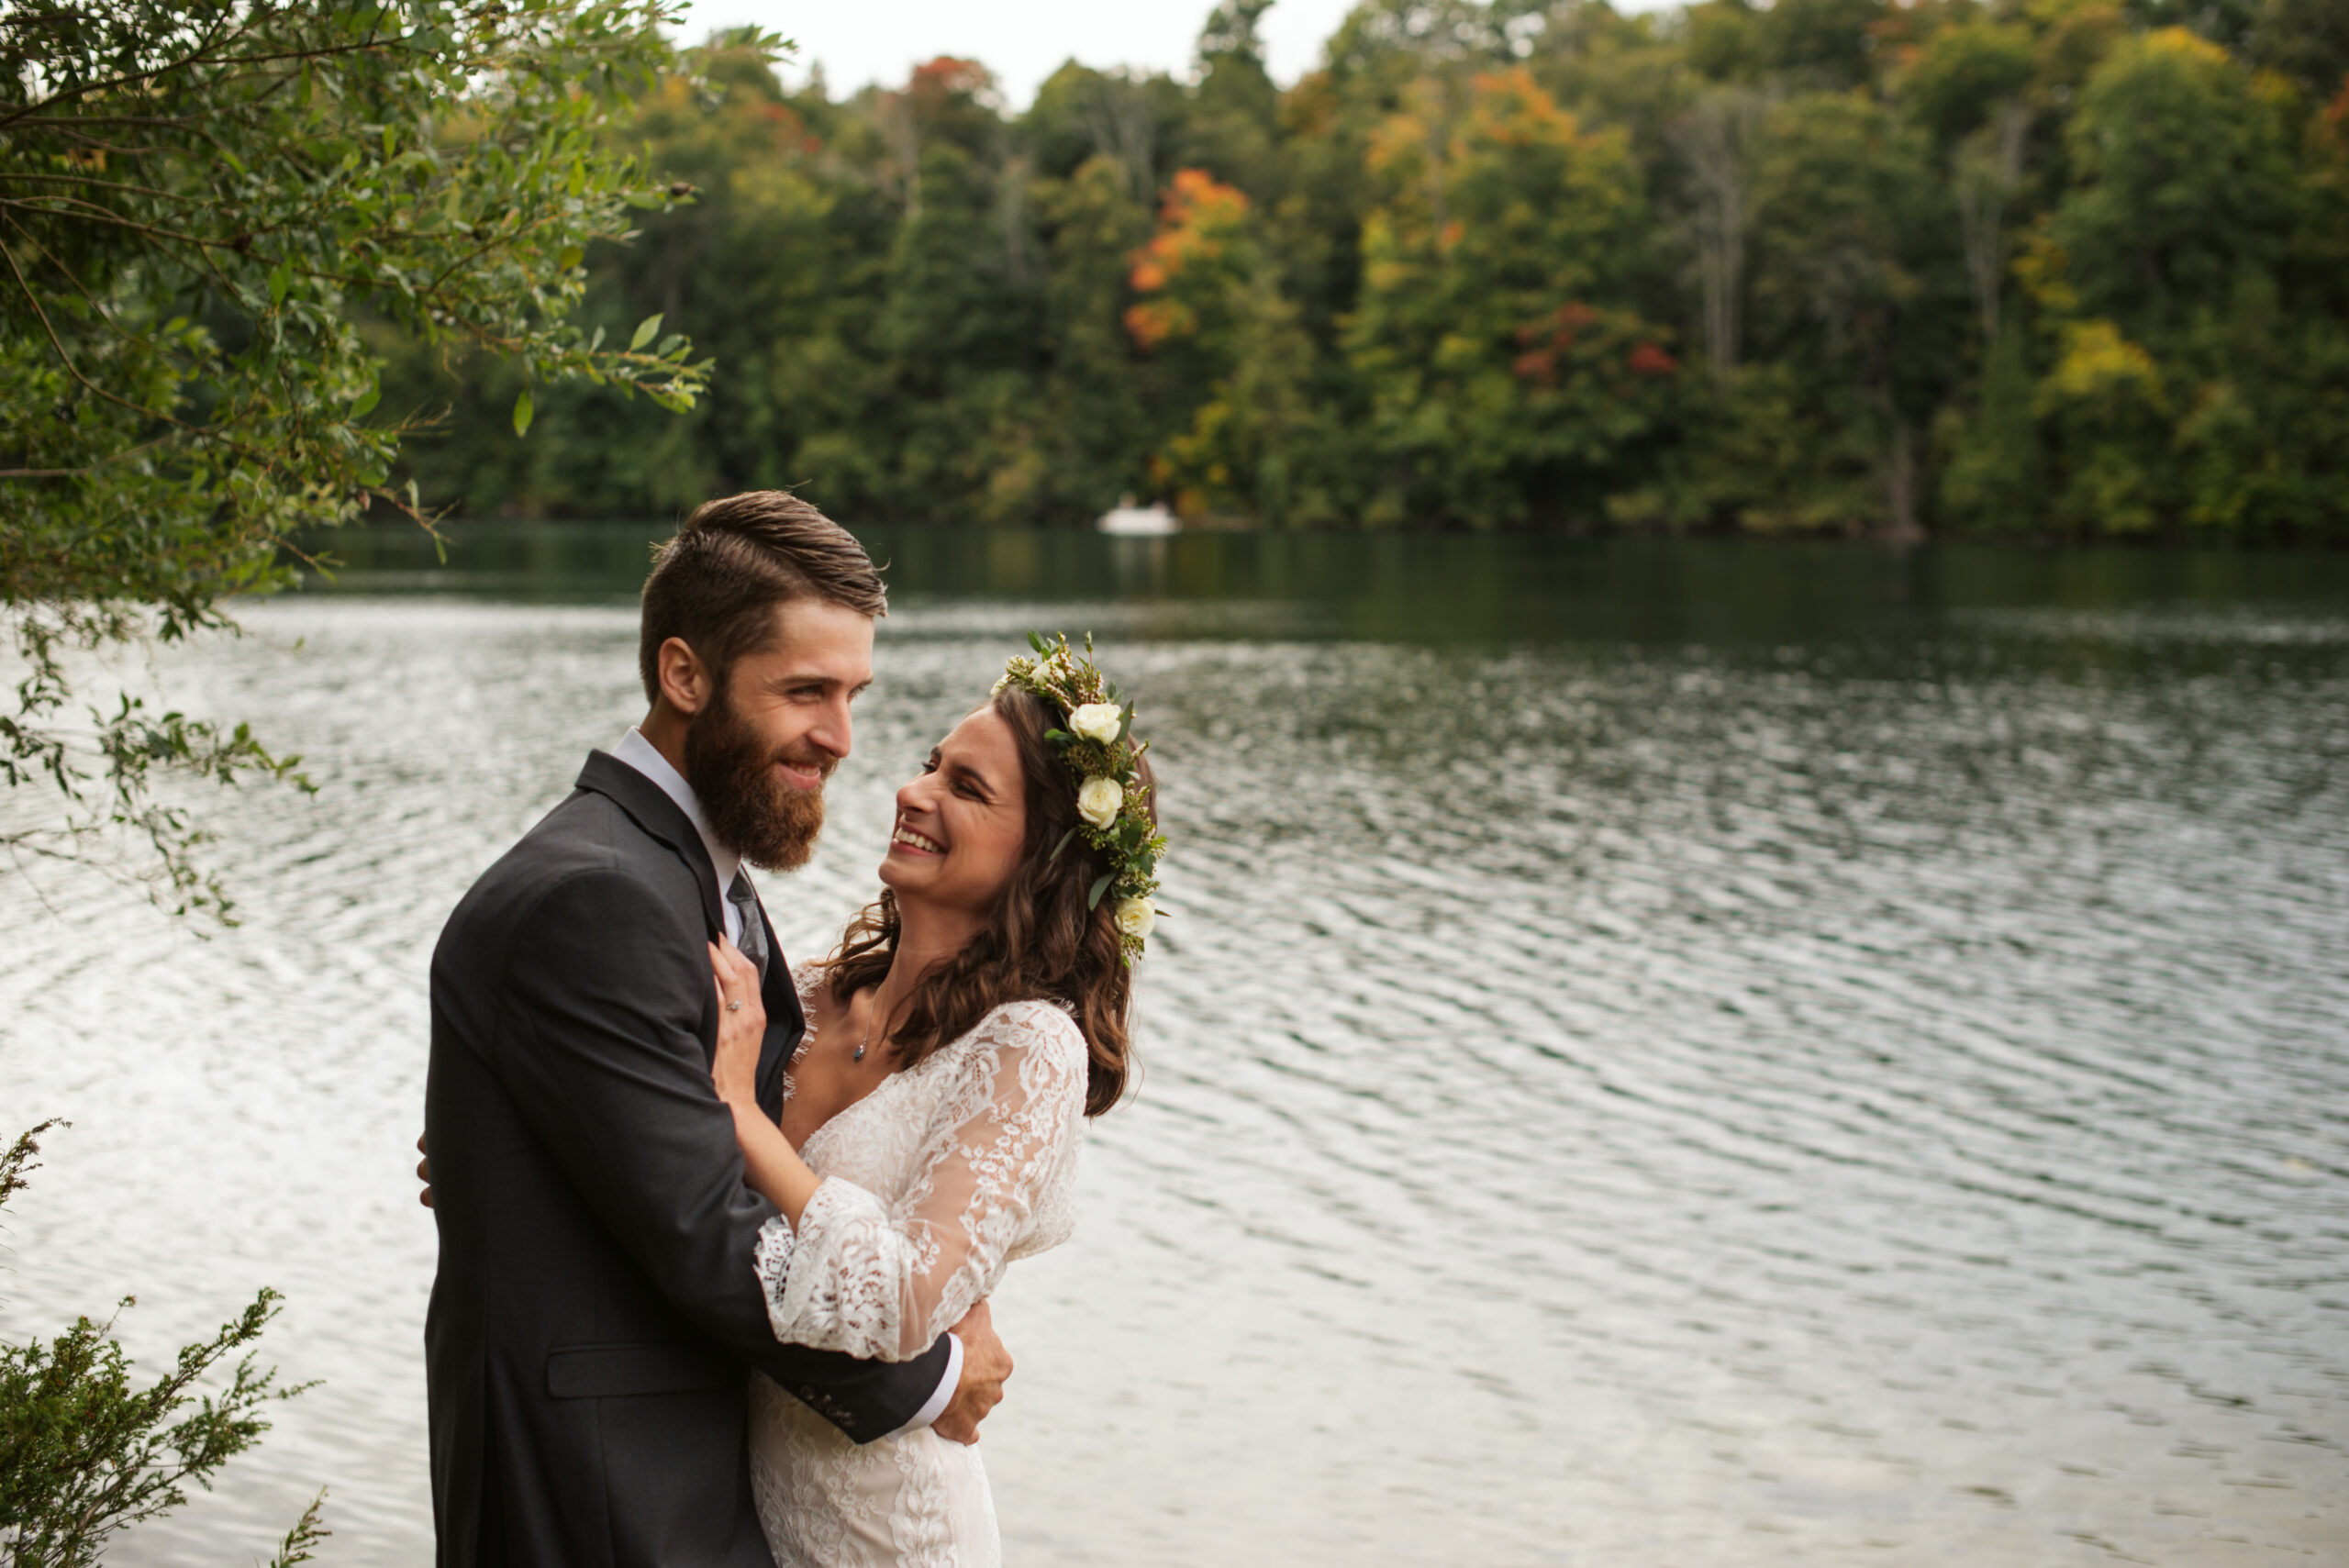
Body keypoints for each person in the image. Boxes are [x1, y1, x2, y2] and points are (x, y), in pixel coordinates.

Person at [421, 494, 1013, 1568]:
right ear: (684, 674)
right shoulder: (598, 896)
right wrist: (929, 1375)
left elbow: (647, 1146)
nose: (839, 737)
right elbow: (707, 1230)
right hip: (607, 1492)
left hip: (689, 1471)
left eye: (851, 694)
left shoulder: (686, 873)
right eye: (804, 692)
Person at [707, 632, 1163, 1566]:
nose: (912, 793)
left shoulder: (1026, 1046)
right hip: (745, 1503)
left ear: (1043, 854)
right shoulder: (805, 990)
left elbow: (909, 1300)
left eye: (966, 788)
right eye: (930, 767)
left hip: (896, 1525)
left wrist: (747, 1122)